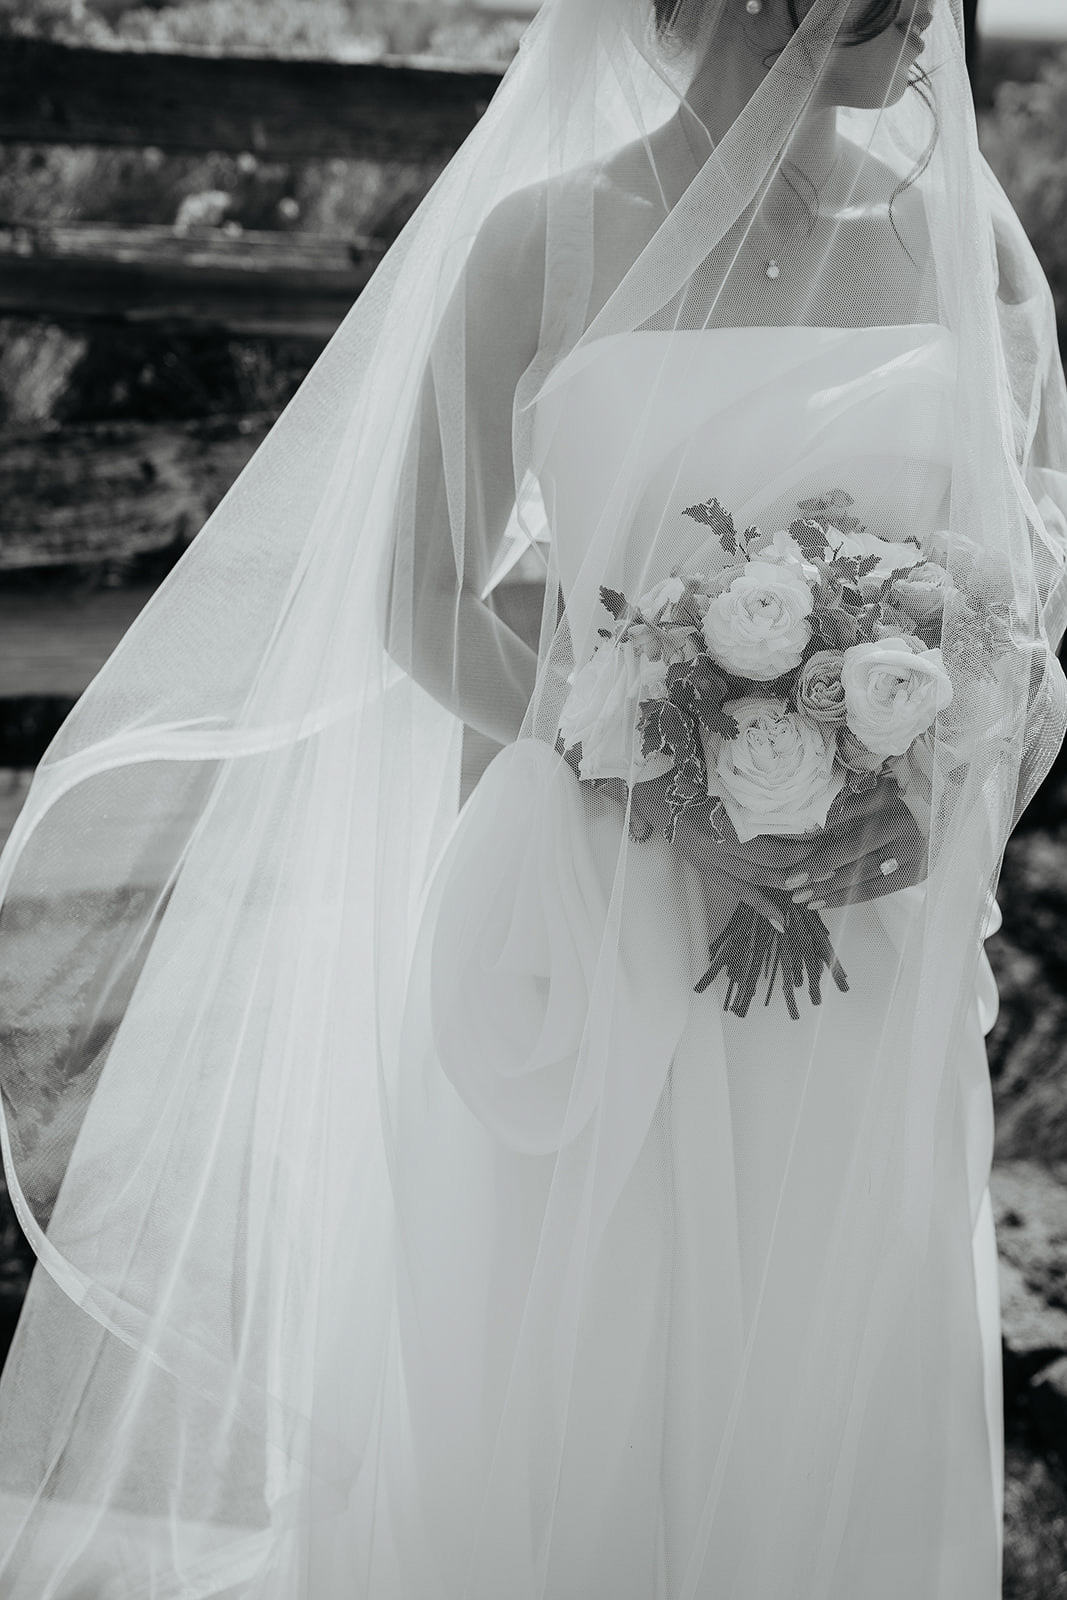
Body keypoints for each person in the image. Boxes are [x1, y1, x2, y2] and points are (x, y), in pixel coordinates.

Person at [0, 0, 1064, 1595]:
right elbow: (424, 595)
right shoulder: (540, 243)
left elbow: (1019, 623)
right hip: (601, 908)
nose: (928, 40)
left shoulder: (964, 254)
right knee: (593, 1343)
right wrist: (658, 768)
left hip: (866, 925)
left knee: (829, 1342)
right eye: (893, 4)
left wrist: (915, 782)